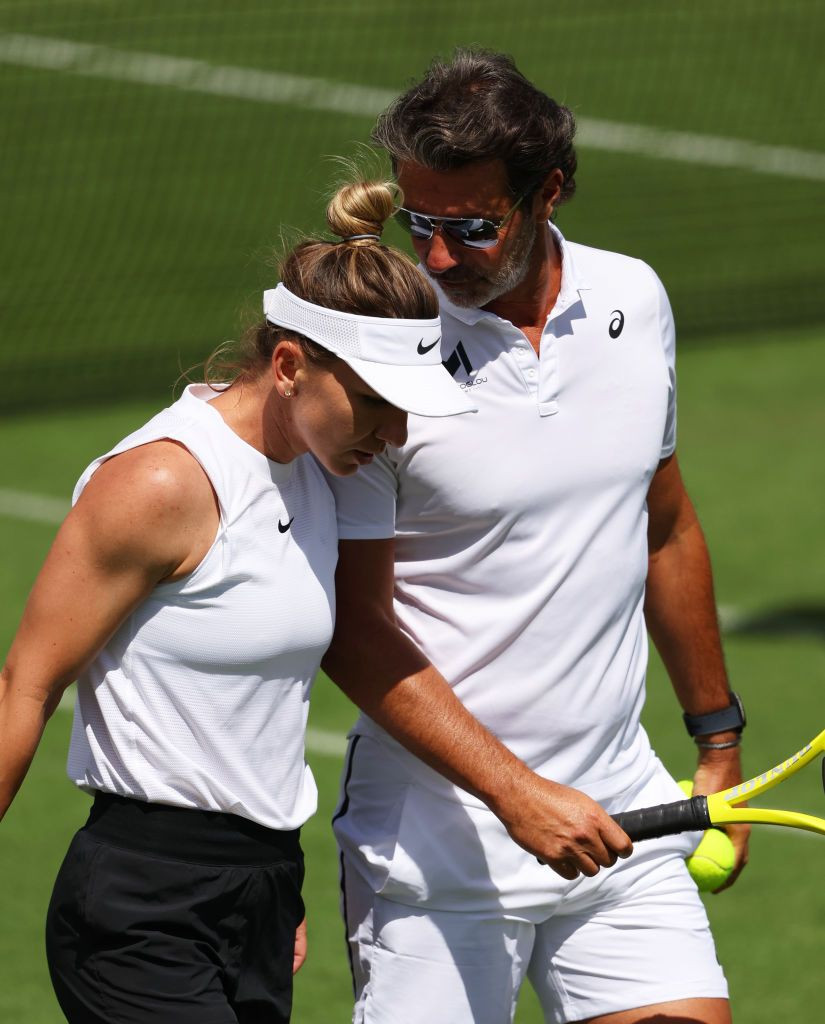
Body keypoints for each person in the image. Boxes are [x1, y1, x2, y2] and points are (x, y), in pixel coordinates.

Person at [321, 51, 750, 1024]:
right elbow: (353, 626)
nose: (435, 258)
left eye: (471, 227)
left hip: (620, 832)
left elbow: (666, 525)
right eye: (420, 223)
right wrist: (518, 796)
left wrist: (716, 737)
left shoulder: (634, 298)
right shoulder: (388, 345)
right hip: (433, 861)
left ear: (547, 191)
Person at [0, 178, 474, 1024]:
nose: (393, 434)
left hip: (258, 890)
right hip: (138, 904)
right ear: (290, 367)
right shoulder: (159, 482)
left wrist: (269, 885)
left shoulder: (328, 478)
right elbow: (25, 687)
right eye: (373, 404)